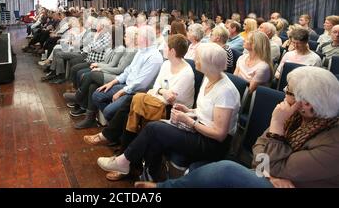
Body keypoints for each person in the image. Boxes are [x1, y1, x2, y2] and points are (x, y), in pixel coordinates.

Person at [135, 66, 339, 188]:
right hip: (271, 176)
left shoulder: (333, 143)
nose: (284, 93)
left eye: (289, 91)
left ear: (307, 104)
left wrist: (276, 125)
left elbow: (265, 162)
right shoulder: (296, 117)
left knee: (226, 171)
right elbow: (260, 146)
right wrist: (271, 173)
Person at [96, 43, 240, 181]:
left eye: (198, 58)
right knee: (154, 133)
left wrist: (189, 121)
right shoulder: (209, 79)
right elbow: (206, 111)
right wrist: (188, 110)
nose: (195, 60)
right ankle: (150, 175)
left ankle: (124, 162)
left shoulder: (225, 91)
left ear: (208, 64)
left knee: (154, 128)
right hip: (199, 129)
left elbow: (220, 135)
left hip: (211, 143)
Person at [89, 25, 163, 122]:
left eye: (138, 36)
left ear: (145, 39)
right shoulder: (141, 51)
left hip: (136, 93)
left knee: (108, 111)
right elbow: (128, 70)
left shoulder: (154, 57)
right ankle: (118, 123)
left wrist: (121, 92)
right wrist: (112, 82)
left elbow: (141, 84)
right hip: (126, 86)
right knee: (97, 95)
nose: (136, 38)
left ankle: (117, 124)